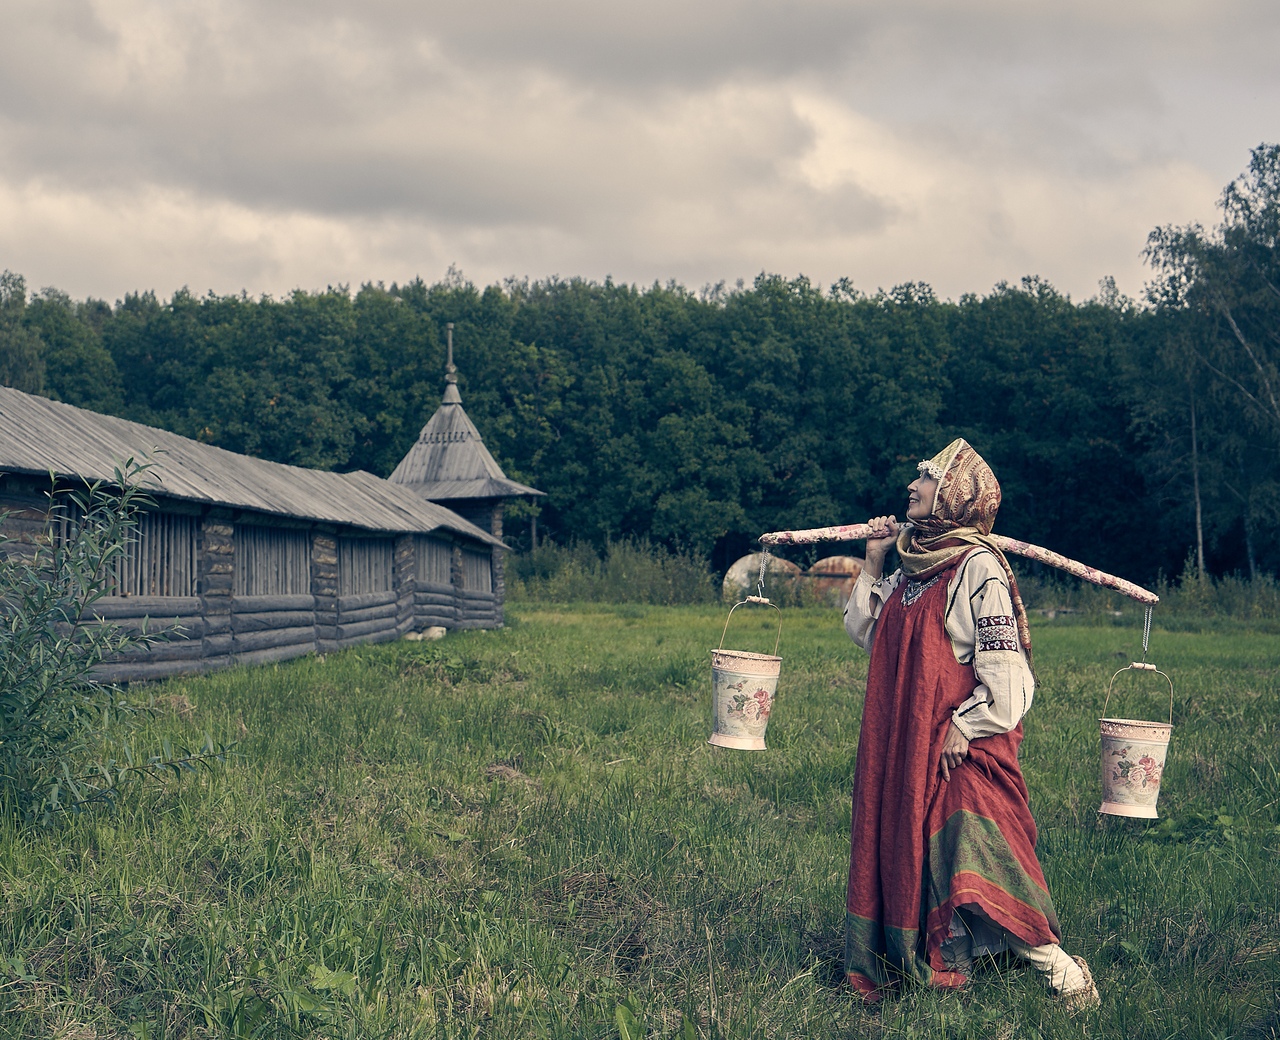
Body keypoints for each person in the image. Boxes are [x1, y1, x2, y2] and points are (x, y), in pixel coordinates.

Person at [841, 438, 1099, 1010]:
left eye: (926, 479)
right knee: (918, 847)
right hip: (906, 741)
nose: (912, 486)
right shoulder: (913, 562)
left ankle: (1060, 971)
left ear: (954, 495)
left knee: (975, 848)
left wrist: (965, 727)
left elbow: (1006, 672)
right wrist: (875, 559)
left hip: (961, 744)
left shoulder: (978, 566)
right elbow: (870, 635)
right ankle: (949, 959)